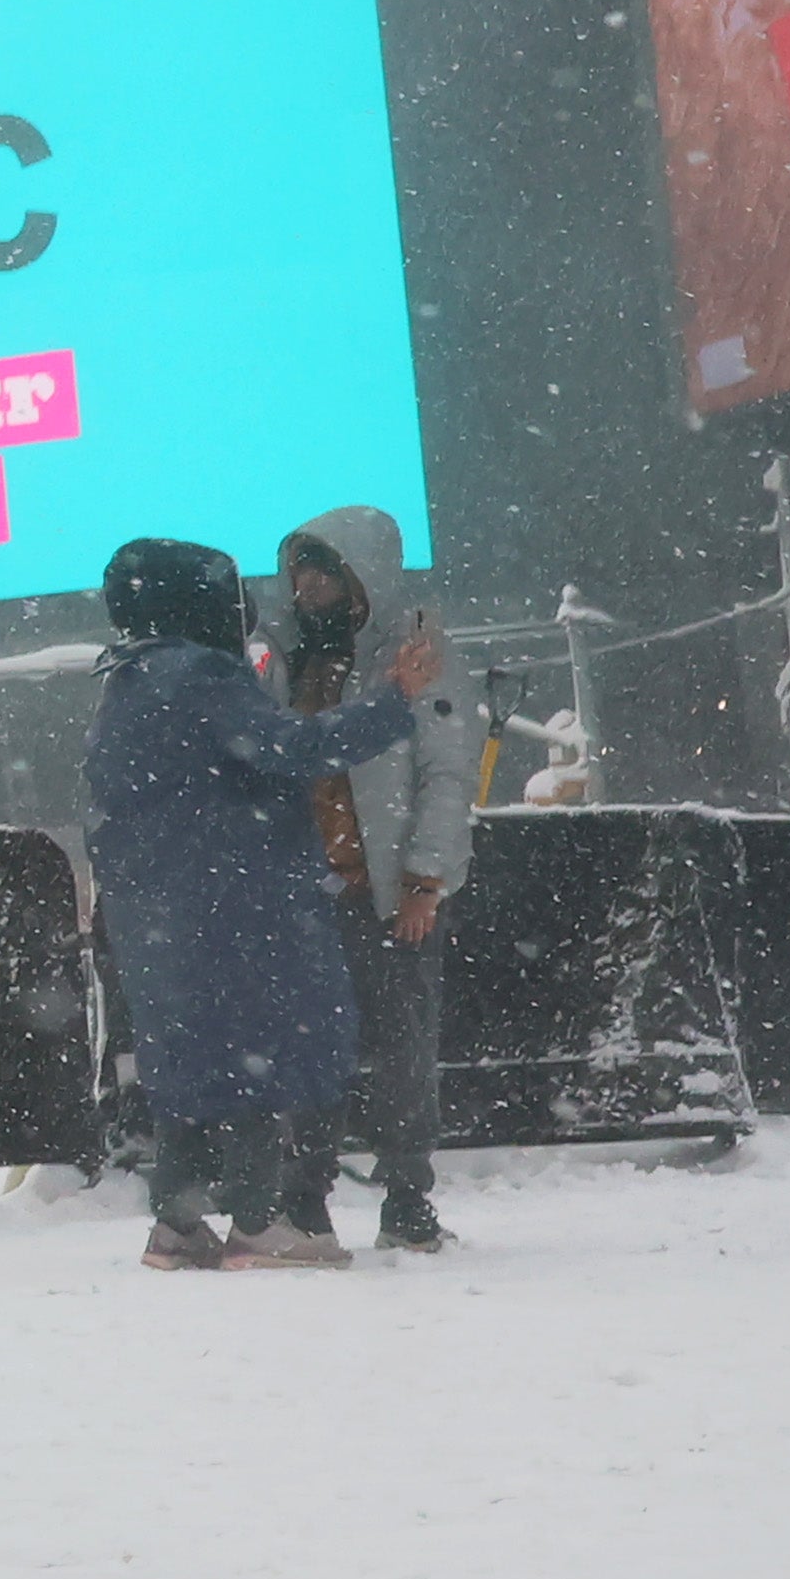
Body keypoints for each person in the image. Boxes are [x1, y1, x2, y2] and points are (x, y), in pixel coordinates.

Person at [87, 542, 450, 1272]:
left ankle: (179, 1225)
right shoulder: (202, 675)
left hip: (155, 912)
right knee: (261, 1049)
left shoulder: (126, 680)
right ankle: (259, 1222)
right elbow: (295, 747)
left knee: (187, 1061)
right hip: (234, 901)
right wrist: (395, 701)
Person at [269, 507, 483, 1254]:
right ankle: (305, 1199)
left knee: (402, 1048)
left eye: (325, 570)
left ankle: (406, 1197)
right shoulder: (293, 658)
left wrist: (426, 879)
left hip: (390, 895)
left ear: (366, 572)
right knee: (309, 1052)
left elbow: (447, 775)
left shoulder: (417, 649)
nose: (309, 587)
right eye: (300, 572)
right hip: (311, 897)